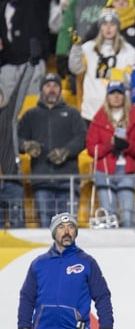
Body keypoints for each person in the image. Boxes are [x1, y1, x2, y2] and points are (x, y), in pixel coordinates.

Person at [17, 73, 87, 227]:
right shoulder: (30, 115)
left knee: (67, 228)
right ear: (42, 89)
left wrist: (66, 151)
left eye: (55, 86)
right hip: (42, 180)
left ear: (60, 90)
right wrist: (26, 145)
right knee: (45, 227)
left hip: (68, 180)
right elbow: (16, 139)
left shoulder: (72, 113)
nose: (52, 89)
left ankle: (68, 253)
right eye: (48, 85)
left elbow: (82, 138)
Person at [86, 81, 135, 228]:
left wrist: (126, 145)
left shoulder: (134, 118)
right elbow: (91, 149)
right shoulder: (98, 119)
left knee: (127, 214)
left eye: (119, 93)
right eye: (112, 93)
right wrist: (110, 144)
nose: (116, 96)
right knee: (108, 214)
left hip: (126, 170)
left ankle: (131, 248)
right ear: (107, 96)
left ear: (124, 96)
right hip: (104, 170)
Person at [68, 8, 135, 124]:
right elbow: (76, 69)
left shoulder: (129, 51)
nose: (108, 28)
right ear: (100, 27)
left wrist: (111, 73)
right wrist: (76, 48)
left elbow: (131, 80)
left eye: (112, 24)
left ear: (118, 27)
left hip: (118, 112)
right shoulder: (88, 48)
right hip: (91, 110)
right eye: (104, 24)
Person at [0, 84, 25, 228]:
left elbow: (19, 90)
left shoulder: (8, 115)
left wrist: (29, 66)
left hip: (12, 180)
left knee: (18, 223)